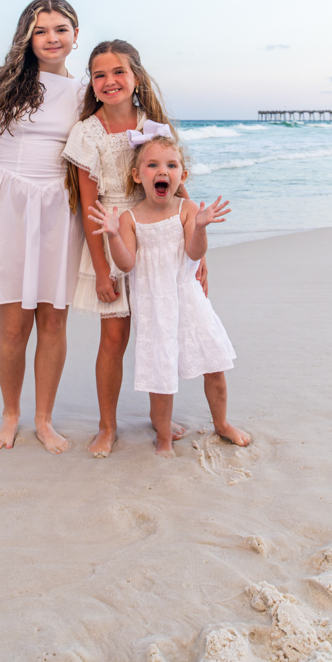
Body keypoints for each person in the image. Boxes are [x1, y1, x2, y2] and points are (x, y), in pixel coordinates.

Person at [62, 40, 207, 457]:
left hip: (163, 237)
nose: (109, 81)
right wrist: (103, 269)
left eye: (118, 72)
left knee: (161, 333)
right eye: (99, 74)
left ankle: (160, 420)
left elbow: (178, 187)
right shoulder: (86, 133)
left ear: (136, 77)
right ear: (91, 82)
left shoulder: (152, 125)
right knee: (114, 338)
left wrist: (199, 260)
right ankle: (107, 427)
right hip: (112, 237)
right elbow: (89, 206)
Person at [0, 0, 84, 454]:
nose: (51, 38)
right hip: (9, 205)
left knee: (53, 323)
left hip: (60, 208)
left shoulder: (84, 92)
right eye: (41, 30)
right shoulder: (2, 82)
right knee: (13, 327)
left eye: (60, 29)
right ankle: (11, 413)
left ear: (76, 35)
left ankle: (45, 419)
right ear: (26, 37)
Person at [89, 127, 250, 456]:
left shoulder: (187, 210)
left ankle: (221, 423)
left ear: (183, 174)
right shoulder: (130, 218)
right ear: (137, 175)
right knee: (160, 375)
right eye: (152, 166)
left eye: (171, 165)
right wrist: (113, 236)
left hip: (190, 300)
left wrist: (202, 228)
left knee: (214, 365)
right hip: (155, 307)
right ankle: (162, 437)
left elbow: (193, 253)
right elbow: (127, 264)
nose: (162, 171)